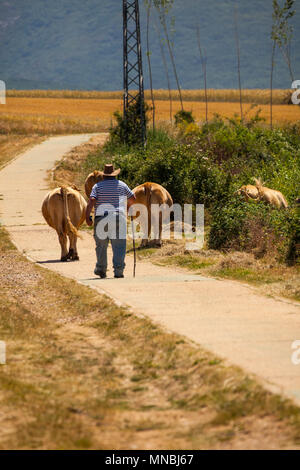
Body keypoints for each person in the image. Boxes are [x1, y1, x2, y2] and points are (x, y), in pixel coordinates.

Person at [86, 163, 136, 279]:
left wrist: (87, 217)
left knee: (101, 245)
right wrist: (127, 209)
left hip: (101, 218)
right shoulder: (122, 185)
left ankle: (101, 269)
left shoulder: (97, 187)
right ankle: (118, 271)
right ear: (114, 175)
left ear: (104, 176)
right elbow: (133, 198)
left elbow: (92, 200)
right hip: (119, 217)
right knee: (119, 245)